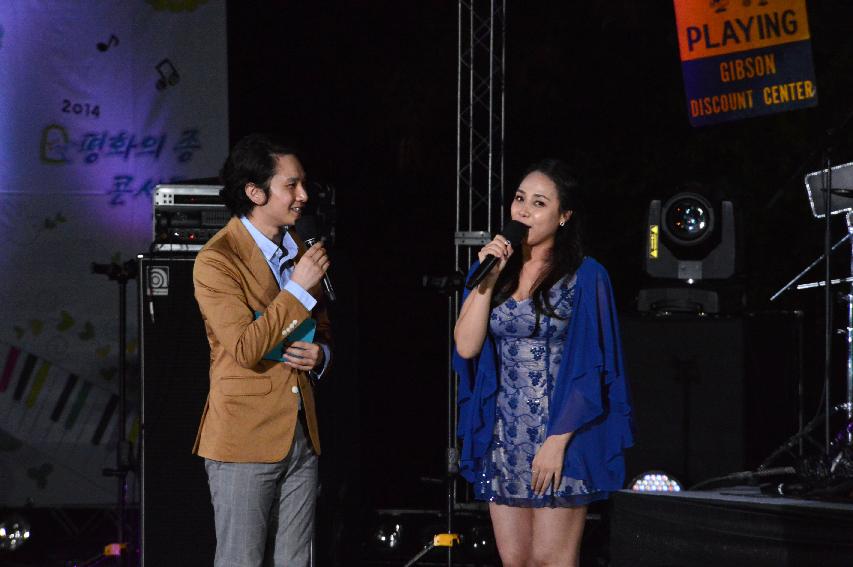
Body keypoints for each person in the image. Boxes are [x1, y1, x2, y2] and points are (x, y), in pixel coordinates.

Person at [453, 159, 633, 567]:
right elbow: (465, 346)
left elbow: (595, 365)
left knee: (551, 560)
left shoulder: (586, 275)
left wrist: (556, 443)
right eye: (520, 199)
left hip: (561, 436)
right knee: (516, 561)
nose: (523, 211)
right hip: (505, 438)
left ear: (563, 216)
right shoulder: (492, 270)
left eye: (538, 203)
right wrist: (488, 277)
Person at [192, 133, 332, 567]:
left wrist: (322, 354)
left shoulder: (302, 247)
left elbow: (323, 325)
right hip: (243, 438)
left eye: (303, 183)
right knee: (241, 560)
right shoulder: (218, 259)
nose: (303, 195)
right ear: (255, 192)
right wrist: (297, 289)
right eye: (291, 185)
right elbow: (244, 347)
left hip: (301, 435)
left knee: (296, 560)